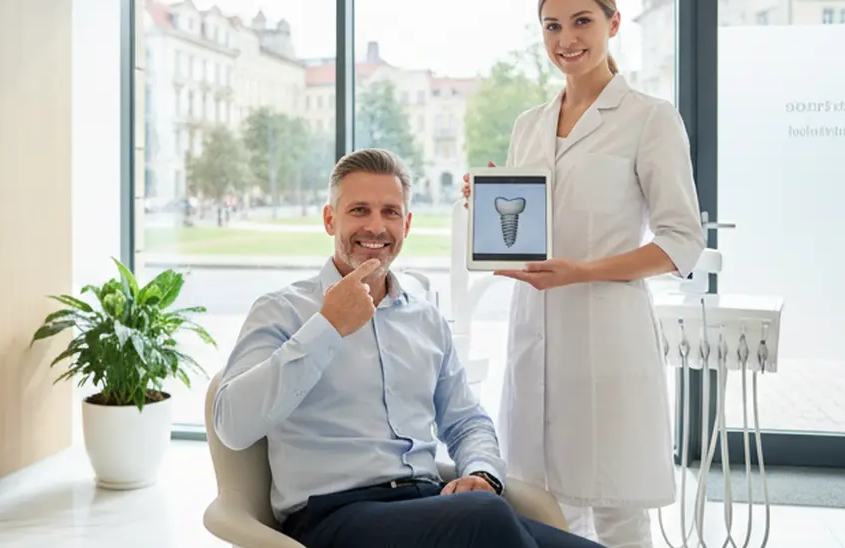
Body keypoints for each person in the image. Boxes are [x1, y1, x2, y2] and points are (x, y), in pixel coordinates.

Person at [213, 148, 603, 548]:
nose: (376, 227)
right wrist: (327, 327)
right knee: (485, 519)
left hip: (431, 505)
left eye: (390, 212)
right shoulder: (282, 310)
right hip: (333, 517)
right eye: (359, 210)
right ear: (330, 220)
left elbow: (466, 420)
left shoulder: (426, 319)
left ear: (407, 224)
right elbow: (232, 425)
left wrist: (482, 472)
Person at [461, 0, 707, 548]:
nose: (566, 39)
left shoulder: (651, 119)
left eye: (581, 22)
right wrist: (490, 202)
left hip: (606, 337)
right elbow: (533, 225)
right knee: (543, 509)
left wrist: (584, 273)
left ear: (613, 23)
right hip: (534, 334)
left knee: (618, 514)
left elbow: (682, 241)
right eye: (552, 27)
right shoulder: (529, 125)